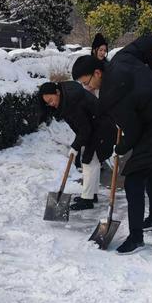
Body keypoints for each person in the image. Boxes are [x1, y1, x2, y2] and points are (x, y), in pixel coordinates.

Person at [72, 37, 152, 254]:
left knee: (133, 178)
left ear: (97, 73)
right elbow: (143, 43)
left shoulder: (112, 95)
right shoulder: (121, 59)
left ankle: (136, 238)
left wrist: (120, 148)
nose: (87, 88)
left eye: (87, 83)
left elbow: (133, 132)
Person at [39, 81, 117, 210]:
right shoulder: (68, 98)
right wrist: (78, 145)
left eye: (51, 100)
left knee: (89, 161)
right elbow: (83, 128)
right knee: (93, 162)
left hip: (102, 129)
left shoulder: (72, 103)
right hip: (97, 128)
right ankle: (92, 195)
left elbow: (85, 129)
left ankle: (87, 200)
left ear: (58, 92)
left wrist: (75, 147)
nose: (51, 104)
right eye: (48, 103)